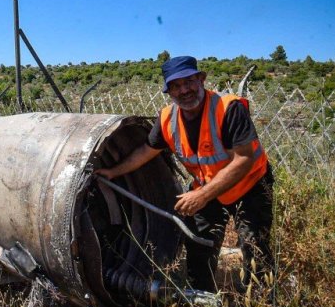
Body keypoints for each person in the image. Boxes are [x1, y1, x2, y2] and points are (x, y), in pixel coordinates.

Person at [94, 56, 274, 294]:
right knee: (198, 244)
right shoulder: (168, 118)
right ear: (168, 91)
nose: (184, 90)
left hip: (250, 186)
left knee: (254, 248)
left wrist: (202, 196)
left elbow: (244, 159)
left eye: (189, 82)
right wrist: (113, 172)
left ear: (201, 79)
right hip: (208, 186)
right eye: (176, 86)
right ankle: (204, 302)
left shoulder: (228, 108)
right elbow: (147, 150)